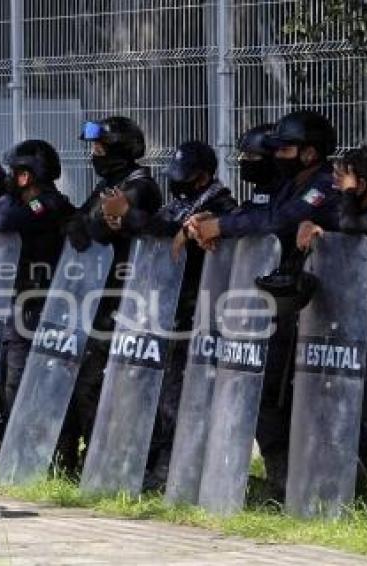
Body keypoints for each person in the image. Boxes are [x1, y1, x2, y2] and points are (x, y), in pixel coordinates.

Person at [186, 110, 341, 496]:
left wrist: (221, 226)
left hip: (327, 311)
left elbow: (280, 221)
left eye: (286, 149)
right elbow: (262, 213)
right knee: (268, 394)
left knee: (304, 400)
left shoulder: (322, 185)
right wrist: (216, 220)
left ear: (309, 153)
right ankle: (284, 480)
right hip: (287, 305)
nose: (277, 157)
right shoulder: (293, 182)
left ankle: (316, 485)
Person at [57, 116, 161, 476]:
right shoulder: (108, 185)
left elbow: (98, 229)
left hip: (128, 303)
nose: (95, 154)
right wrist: (83, 223)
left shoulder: (139, 186)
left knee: (104, 385)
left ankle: (116, 460)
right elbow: (80, 225)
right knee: (85, 384)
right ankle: (92, 457)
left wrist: (89, 224)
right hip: (97, 301)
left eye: (101, 147)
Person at [143, 141, 237, 490]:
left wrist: (189, 229)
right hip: (176, 314)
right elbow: (156, 226)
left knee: (183, 397)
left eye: (186, 178)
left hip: (206, 316)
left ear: (202, 177)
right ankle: (163, 468)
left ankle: (176, 472)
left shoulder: (220, 205)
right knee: (168, 393)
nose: (177, 184)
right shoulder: (183, 206)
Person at [0, 140, 75, 426]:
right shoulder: (19, 201)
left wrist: (4, 212)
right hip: (14, 303)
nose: (8, 178)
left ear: (26, 175)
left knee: (22, 380)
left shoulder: (49, 203)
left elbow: (2, 221)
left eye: (13, 171)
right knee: (5, 376)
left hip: (41, 306)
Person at [296, 146, 367, 492]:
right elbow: (335, 224)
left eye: (346, 176)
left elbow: (350, 226)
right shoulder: (354, 207)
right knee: (352, 408)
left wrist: (345, 194)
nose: (339, 183)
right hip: (354, 318)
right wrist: (311, 225)